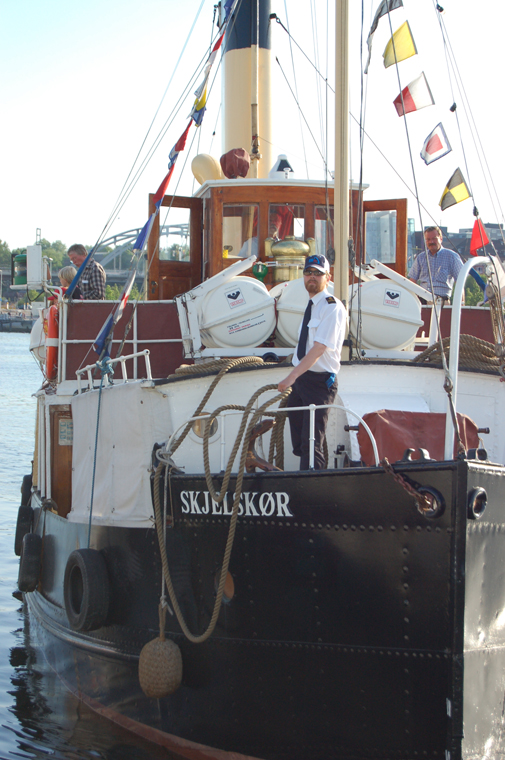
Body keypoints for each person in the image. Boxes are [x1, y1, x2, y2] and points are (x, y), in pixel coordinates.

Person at [278, 253, 347, 470]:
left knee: (311, 443)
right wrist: (295, 377)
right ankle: (304, 479)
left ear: (328, 277)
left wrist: (290, 377)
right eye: (308, 272)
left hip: (319, 383)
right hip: (301, 381)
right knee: (299, 443)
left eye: (318, 273)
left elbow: (319, 348)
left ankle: (313, 484)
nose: (312, 277)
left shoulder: (331, 307)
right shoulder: (312, 306)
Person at [408, 226, 463, 301]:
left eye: (434, 238)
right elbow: (412, 282)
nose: (431, 242)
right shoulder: (420, 257)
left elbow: (460, 282)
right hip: (422, 300)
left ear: (441, 239)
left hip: (443, 301)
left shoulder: (452, 256)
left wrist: (462, 304)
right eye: (428, 239)